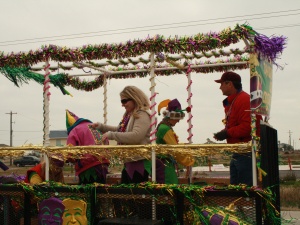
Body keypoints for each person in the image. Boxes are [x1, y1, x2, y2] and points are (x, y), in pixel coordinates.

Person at [91, 86, 151, 184]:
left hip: (139, 162)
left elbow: (136, 136)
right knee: (128, 194)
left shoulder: (142, 114)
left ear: (134, 98)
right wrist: (101, 126)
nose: (122, 105)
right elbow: (120, 130)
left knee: (135, 195)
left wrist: (111, 135)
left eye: (124, 101)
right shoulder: (129, 115)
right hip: (130, 161)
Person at [213, 71, 262, 186]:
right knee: (236, 187)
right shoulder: (236, 100)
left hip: (246, 152)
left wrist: (227, 133)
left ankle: (246, 204)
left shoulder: (244, 100)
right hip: (239, 151)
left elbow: (248, 127)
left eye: (221, 84)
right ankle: (241, 204)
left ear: (229, 84)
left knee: (245, 188)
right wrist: (225, 133)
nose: (220, 87)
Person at [156, 98, 194, 184]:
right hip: (164, 165)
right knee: (170, 187)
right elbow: (175, 150)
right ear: (171, 116)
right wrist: (189, 160)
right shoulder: (165, 129)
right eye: (177, 117)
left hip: (164, 163)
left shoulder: (163, 127)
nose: (178, 120)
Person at [66, 109, 110, 184]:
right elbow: (107, 142)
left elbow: (70, 153)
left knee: (89, 193)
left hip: (87, 166)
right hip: (104, 163)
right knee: (102, 192)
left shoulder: (74, 130)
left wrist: (67, 159)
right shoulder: (95, 126)